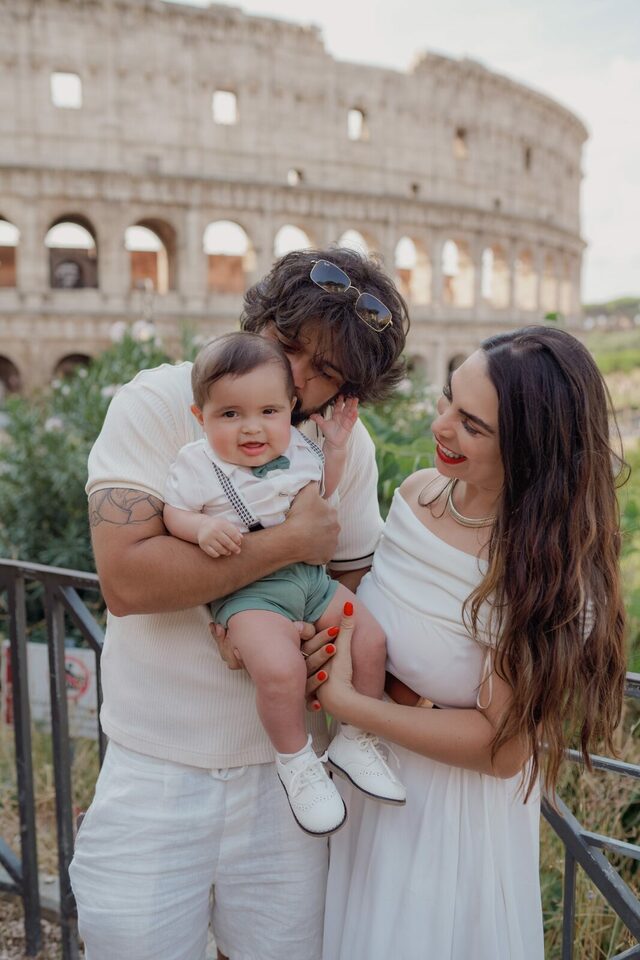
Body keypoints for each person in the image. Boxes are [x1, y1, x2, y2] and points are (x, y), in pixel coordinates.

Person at [69, 248, 409, 960]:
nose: (299, 378)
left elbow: (350, 584)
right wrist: (287, 546)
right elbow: (127, 580)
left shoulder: (345, 445)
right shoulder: (158, 403)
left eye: (327, 371)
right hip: (155, 765)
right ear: (258, 321)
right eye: (289, 347)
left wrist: (311, 640)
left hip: (293, 778)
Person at [317, 325, 627, 960]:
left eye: (473, 426)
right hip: (366, 786)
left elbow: (501, 750)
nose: (441, 426)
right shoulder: (416, 493)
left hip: (444, 821)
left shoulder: (540, 572)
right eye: (447, 399)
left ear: (531, 449)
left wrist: (351, 707)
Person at [163, 331, 405, 837]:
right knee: (280, 670)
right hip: (251, 592)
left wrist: (335, 448)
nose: (252, 427)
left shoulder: (297, 447)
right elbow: (173, 512)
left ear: (289, 409)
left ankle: (355, 737)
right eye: (230, 414)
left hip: (311, 581)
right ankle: (296, 761)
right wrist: (201, 528)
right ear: (200, 417)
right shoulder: (198, 463)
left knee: (370, 638)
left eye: (268, 412)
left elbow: (322, 490)